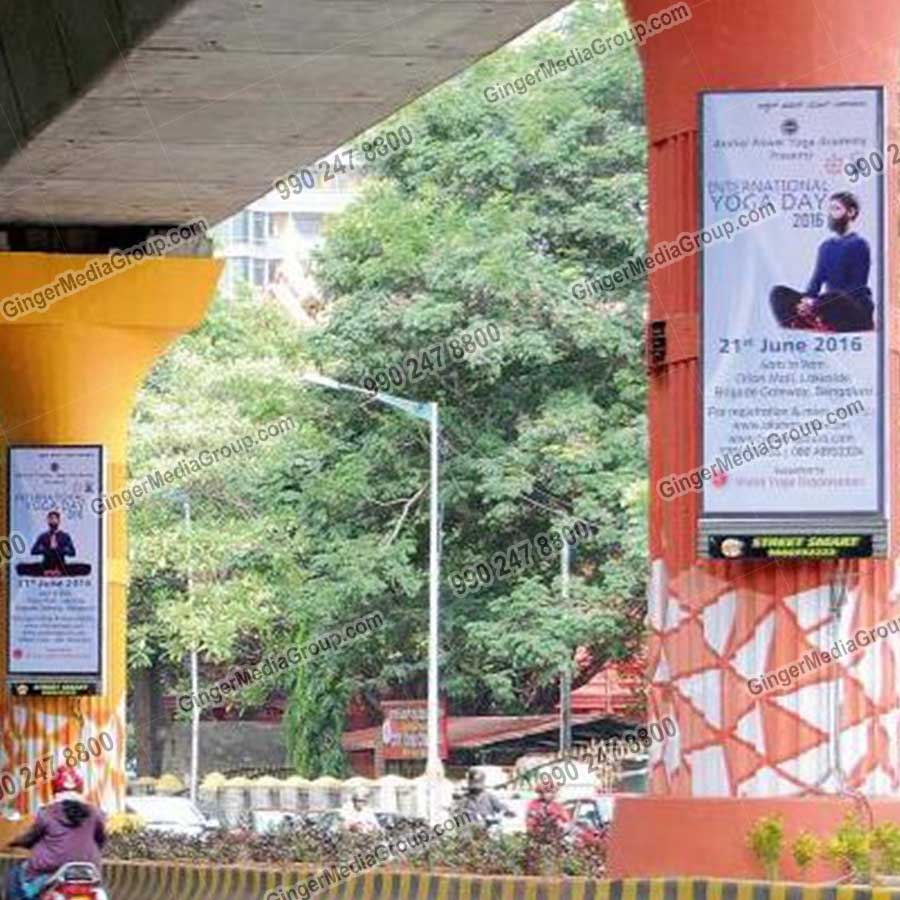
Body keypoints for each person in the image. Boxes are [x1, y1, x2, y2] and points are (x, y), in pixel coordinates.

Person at [769, 191, 874, 333]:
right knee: (779, 293)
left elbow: (857, 286)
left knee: (832, 297)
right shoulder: (826, 246)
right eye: (830, 209)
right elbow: (816, 281)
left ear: (851, 212)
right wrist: (807, 300)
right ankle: (807, 320)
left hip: (853, 307)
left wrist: (817, 302)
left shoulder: (860, 244)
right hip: (826, 305)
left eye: (836, 209)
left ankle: (819, 318)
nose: (831, 214)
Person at [4, 767, 106, 900]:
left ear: (55, 788)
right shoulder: (95, 813)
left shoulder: (47, 813)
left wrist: (14, 843)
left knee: (14, 874)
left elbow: (30, 837)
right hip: (87, 871)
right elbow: (101, 839)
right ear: (81, 788)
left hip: (50, 870)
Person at [18, 511, 77, 577]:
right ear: (48, 521)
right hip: (46, 564)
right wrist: (46, 550)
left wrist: (59, 550)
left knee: (83, 568)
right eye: (51, 519)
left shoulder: (65, 536)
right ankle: (47, 571)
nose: (53, 521)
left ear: (59, 521)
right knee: (20, 567)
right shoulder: (43, 536)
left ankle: (58, 571)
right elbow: (33, 551)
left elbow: (72, 552)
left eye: (55, 519)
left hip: (61, 565)